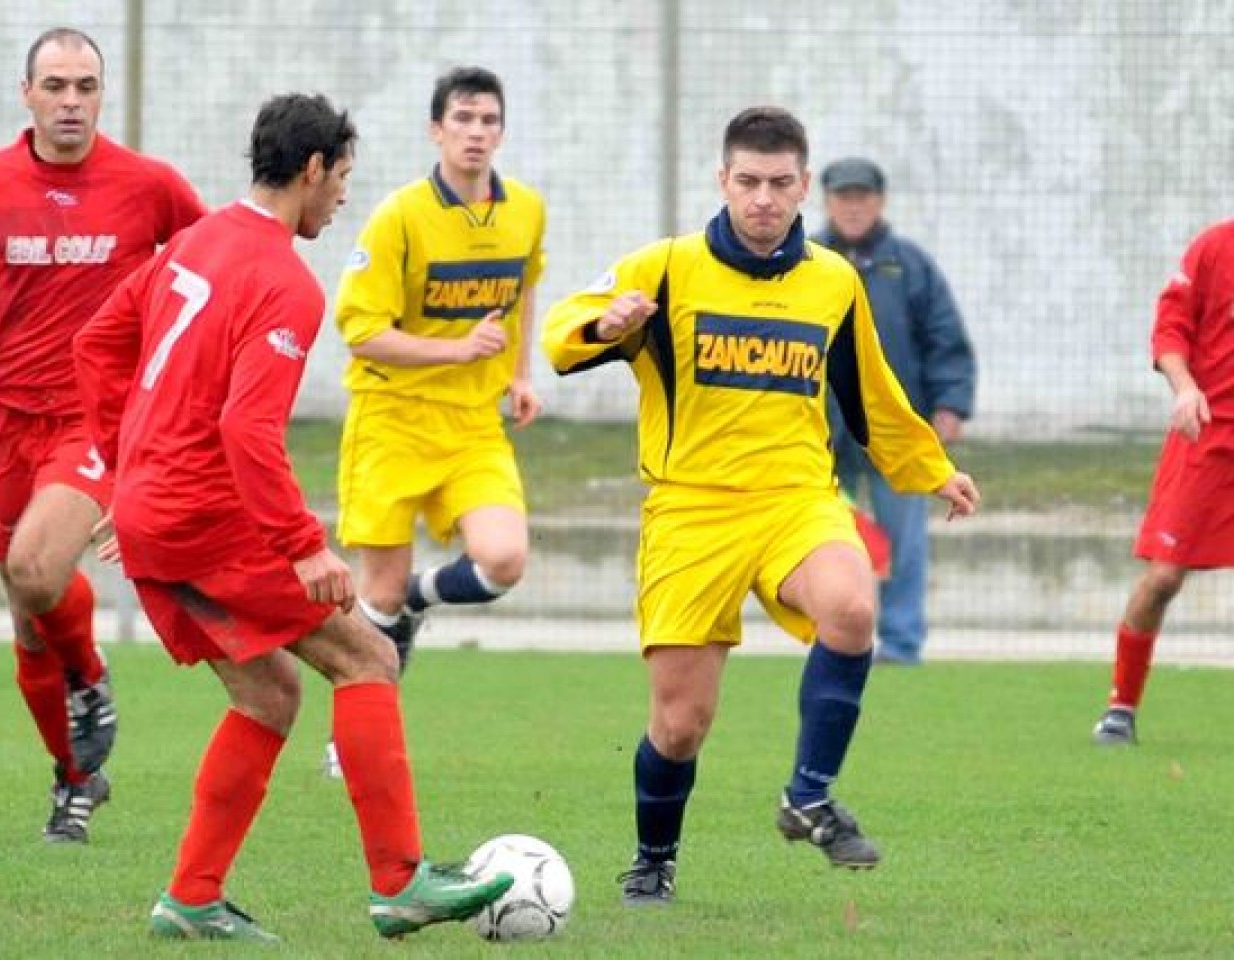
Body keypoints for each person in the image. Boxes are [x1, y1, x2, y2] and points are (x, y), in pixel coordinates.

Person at [72, 92, 513, 943]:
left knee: (270, 694)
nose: (344, 195)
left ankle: (191, 898)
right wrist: (302, 545)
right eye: (342, 176)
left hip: (158, 513)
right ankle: (400, 882)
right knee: (369, 656)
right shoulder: (282, 280)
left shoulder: (193, 241)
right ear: (311, 169)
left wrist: (129, 477)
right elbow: (246, 428)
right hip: (208, 515)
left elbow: (99, 345)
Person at [542, 107, 980, 904]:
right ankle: (654, 858)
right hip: (690, 511)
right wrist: (604, 326)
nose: (764, 199)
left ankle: (808, 795)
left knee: (852, 609)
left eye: (781, 184)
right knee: (680, 725)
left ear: (803, 185)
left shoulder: (832, 281)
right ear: (723, 181)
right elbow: (561, 332)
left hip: (795, 502)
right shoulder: (666, 267)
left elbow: (870, 396)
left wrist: (930, 468)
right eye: (748, 182)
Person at [0, 27, 205, 843]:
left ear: (101, 95)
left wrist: (182, 372)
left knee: (35, 570)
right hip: (6, 418)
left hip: (95, 417)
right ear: (27, 93)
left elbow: (208, 266)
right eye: (57, 85)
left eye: (86, 86)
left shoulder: (149, 186)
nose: (72, 100)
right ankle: (76, 779)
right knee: (26, 610)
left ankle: (92, 677)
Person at [325, 65, 546, 778]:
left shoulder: (526, 210)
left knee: (505, 559)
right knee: (376, 595)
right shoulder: (399, 216)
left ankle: (422, 600)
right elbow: (361, 332)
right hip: (390, 421)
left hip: (473, 427)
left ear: (501, 131)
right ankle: (348, 735)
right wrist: (457, 348)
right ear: (436, 130)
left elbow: (525, 286)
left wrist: (518, 373)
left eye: (488, 121)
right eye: (463, 119)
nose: (476, 133)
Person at [814, 157, 977, 665]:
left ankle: (901, 644)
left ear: (880, 202)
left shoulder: (910, 265)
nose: (854, 206)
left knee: (905, 542)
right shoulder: (804, 261)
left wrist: (950, 405)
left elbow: (944, 339)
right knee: (820, 539)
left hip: (895, 431)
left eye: (863, 196)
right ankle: (828, 637)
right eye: (844, 196)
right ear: (827, 202)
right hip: (820, 430)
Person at [1091, 220, 1234, 746]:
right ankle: (1120, 708)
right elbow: (1171, 328)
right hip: (1210, 439)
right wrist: (1185, 386)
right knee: (1164, 578)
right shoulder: (1216, 248)